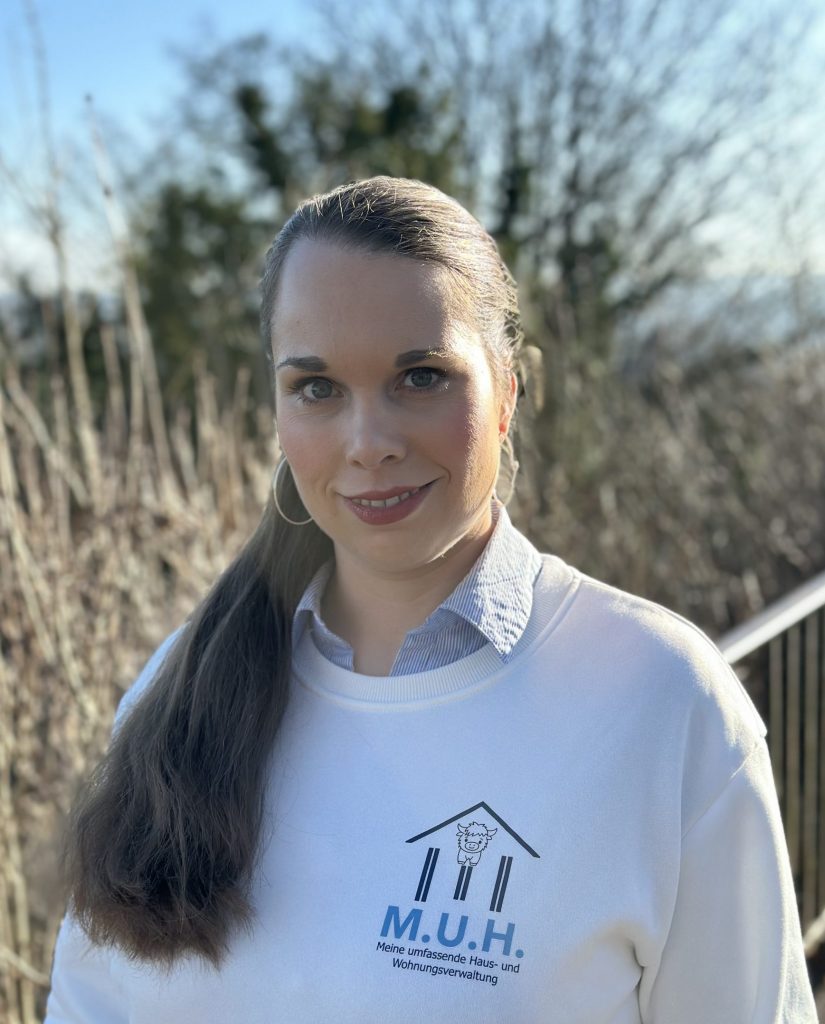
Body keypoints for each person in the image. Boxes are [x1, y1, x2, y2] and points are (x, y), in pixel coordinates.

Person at [45, 176, 816, 1023]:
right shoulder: (179, 694)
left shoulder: (664, 700)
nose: (368, 443)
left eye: (420, 376)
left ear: (506, 393)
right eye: (316, 387)